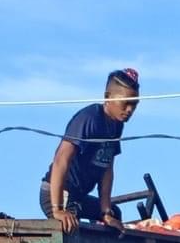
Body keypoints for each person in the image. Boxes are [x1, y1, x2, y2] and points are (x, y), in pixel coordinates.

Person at [40, 68, 139, 230]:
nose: (130, 110)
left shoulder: (117, 125)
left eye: (134, 105)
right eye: (126, 103)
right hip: (58, 194)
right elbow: (60, 160)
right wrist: (57, 209)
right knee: (72, 225)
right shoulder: (90, 119)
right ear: (107, 97)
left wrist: (106, 211)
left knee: (115, 215)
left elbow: (107, 168)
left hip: (78, 197)